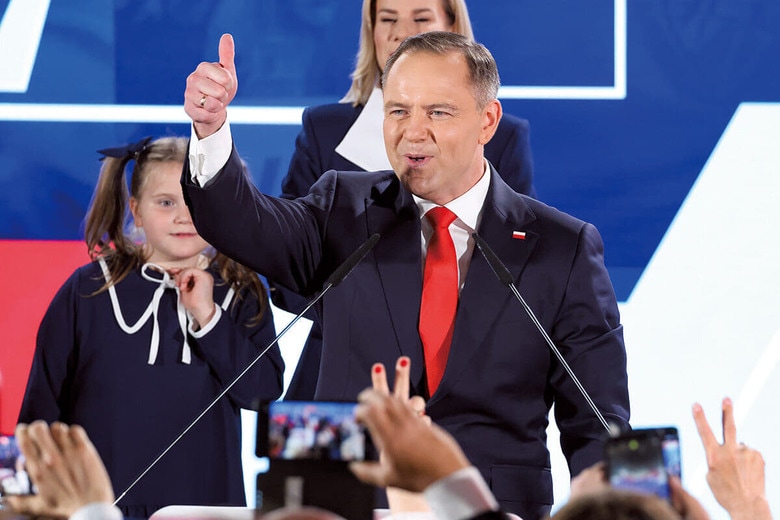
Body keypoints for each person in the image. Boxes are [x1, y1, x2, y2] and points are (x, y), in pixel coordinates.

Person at [182, 31, 628, 520]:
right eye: (397, 111)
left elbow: (600, 425)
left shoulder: (561, 248)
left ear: (487, 121)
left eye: (438, 112)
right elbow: (246, 224)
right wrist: (211, 130)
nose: (413, 132)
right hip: (341, 504)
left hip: (489, 510)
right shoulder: (342, 209)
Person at [278, 0, 536, 401]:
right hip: (337, 381)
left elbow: (516, 272)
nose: (402, 32)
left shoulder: (501, 139)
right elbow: (286, 271)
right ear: (371, 30)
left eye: (420, 18)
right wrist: (362, 318)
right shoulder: (323, 131)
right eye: (388, 19)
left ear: (452, 26)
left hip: (461, 384)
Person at [17, 136, 285, 519]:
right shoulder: (88, 289)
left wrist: (208, 318)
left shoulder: (242, 289)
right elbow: (41, 411)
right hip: (98, 507)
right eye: (166, 202)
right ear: (136, 211)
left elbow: (262, 392)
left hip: (205, 508)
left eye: (197, 203)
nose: (184, 216)